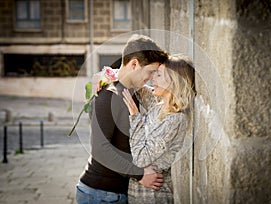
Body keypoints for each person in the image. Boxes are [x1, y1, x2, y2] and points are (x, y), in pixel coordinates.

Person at [76, 34, 168, 204]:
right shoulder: (108, 96)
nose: (151, 78)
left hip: (113, 193)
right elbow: (99, 148)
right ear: (134, 64)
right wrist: (139, 174)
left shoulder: (132, 91)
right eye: (150, 72)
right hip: (100, 194)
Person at [122, 54, 195, 203]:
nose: (152, 77)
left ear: (174, 82)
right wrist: (104, 76)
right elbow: (135, 83)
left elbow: (141, 159)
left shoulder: (175, 119)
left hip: (154, 196)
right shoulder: (159, 105)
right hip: (138, 193)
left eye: (159, 74)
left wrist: (135, 116)